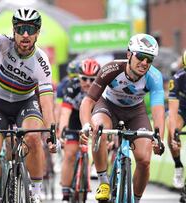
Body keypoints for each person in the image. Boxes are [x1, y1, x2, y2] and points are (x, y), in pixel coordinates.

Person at [0, 1, 58, 202]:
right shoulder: (4, 44)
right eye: (21, 29)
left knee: (33, 138)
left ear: (37, 33)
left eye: (30, 29)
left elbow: (46, 103)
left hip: (25, 103)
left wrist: (51, 134)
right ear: (14, 31)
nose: (25, 35)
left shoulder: (42, 62)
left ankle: (36, 193)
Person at [79, 33, 165, 203]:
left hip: (135, 112)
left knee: (144, 160)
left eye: (149, 59)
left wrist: (158, 137)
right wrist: (85, 125)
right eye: (140, 56)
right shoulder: (111, 69)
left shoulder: (154, 77)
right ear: (128, 54)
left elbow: (158, 110)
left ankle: (135, 199)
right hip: (108, 106)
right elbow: (88, 101)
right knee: (99, 129)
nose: (144, 63)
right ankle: (103, 182)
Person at [58, 59, 100, 202]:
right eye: (84, 78)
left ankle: (93, 165)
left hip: (94, 116)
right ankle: (65, 194)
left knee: (100, 142)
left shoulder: (101, 88)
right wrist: (62, 131)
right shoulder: (72, 86)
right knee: (69, 154)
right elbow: (65, 112)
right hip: (74, 118)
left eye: (92, 79)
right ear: (78, 77)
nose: (88, 83)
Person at [167, 50, 186, 189]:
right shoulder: (178, 78)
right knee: (172, 131)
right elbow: (172, 112)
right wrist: (174, 134)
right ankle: (178, 165)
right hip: (182, 109)